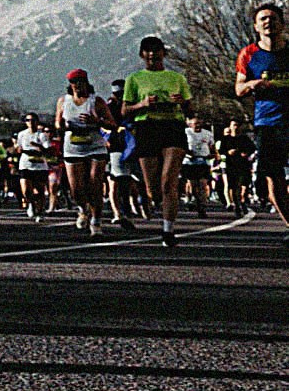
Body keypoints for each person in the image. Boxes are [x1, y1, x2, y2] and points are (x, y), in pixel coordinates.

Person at [120, 35, 191, 249]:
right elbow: (124, 111)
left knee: (169, 181)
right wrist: (141, 104)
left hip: (172, 127)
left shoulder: (177, 78)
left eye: (157, 50)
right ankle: (153, 199)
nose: (152, 54)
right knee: (154, 188)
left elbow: (190, 110)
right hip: (147, 128)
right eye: (148, 50)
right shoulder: (134, 79)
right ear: (142, 55)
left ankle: (168, 230)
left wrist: (181, 103)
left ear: (163, 53)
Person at [234, 3, 289, 234]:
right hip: (267, 123)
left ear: (282, 24)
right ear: (256, 26)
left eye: (273, 18)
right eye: (263, 19)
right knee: (273, 177)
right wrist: (252, 84)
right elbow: (238, 89)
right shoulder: (249, 54)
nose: (268, 22)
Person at [57, 71, 111, 235]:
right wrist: (64, 126)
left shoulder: (97, 101)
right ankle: (82, 209)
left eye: (81, 82)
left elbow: (112, 124)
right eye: (74, 82)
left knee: (95, 184)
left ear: (87, 82)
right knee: (76, 188)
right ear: (70, 84)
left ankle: (96, 221)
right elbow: (57, 124)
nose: (78, 85)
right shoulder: (63, 101)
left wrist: (97, 121)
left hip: (95, 146)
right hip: (73, 146)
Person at [13, 113, 55, 220]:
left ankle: (40, 212)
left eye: (32, 120)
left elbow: (48, 150)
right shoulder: (22, 134)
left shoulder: (42, 135)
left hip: (39, 164)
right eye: (28, 120)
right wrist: (17, 149)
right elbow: (18, 148)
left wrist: (38, 146)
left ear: (37, 121)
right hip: (25, 163)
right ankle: (30, 204)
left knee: (40, 190)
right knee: (26, 190)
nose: (30, 122)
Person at [182, 114, 215, 218]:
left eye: (199, 123)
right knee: (193, 186)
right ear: (190, 124)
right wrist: (187, 152)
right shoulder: (186, 132)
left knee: (202, 184)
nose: (198, 126)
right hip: (190, 162)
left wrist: (213, 154)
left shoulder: (207, 133)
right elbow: (181, 145)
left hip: (203, 161)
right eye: (195, 124)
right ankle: (194, 200)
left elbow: (212, 146)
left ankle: (202, 208)